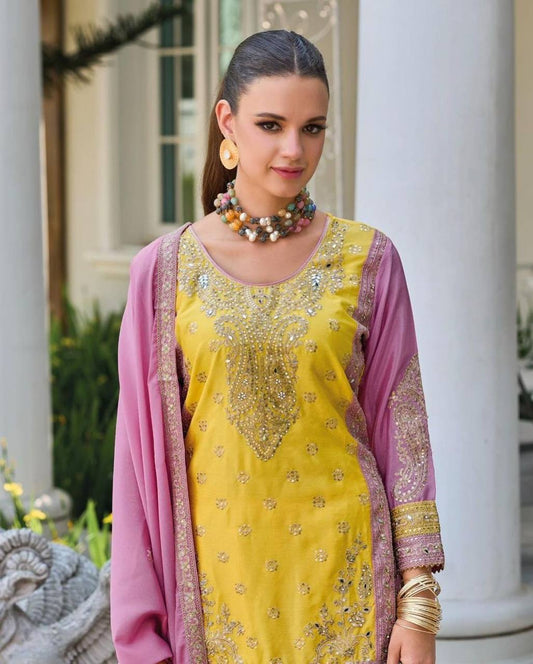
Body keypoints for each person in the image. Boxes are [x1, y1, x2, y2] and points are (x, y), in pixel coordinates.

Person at [110, 29, 445, 664]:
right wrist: (140, 635)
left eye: (312, 128)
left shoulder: (368, 260)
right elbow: (136, 468)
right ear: (227, 124)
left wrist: (419, 605)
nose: (294, 149)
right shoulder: (164, 272)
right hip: (219, 595)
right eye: (271, 125)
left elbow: (404, 438)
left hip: (352, 587)